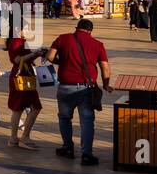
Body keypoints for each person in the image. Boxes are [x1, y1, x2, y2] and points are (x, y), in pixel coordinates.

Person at [47, 19, 114, 166]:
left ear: (76, 28)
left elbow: (50, 57)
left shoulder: (63, 38)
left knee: (64, 118)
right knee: (87, 122)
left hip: (65, 87)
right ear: (90, 31)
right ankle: (86, 155)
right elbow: (105, 67)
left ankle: (68, 149)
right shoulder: (97, 44)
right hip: (86, 88)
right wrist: (106, 84)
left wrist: (62, 61)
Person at [5, 27, 45, 150]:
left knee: (18, 108)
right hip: (22, 77)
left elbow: (23, 58)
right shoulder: (16, 42)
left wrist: (36, 54)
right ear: (18, 29)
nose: (28, 31)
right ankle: (25, 137)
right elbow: (17, 60)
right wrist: (34, 54)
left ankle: (13, 138)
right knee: (35, 107)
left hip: (21, 75)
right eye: (26, 28)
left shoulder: (19, 41)